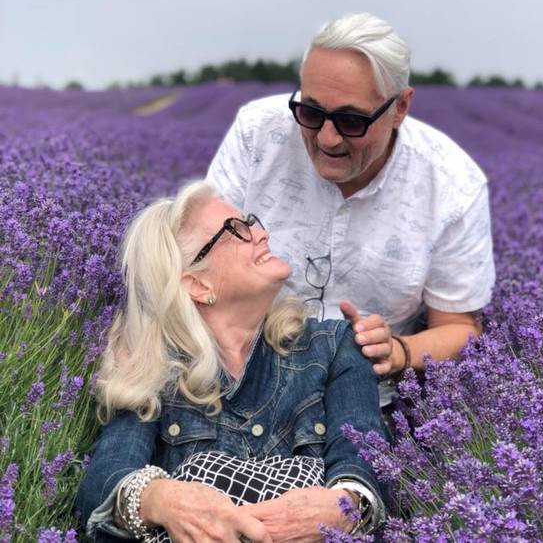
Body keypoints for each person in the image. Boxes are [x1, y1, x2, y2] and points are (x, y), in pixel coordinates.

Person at [76, 180, 392, 542]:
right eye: (237, 229)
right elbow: (104, 481)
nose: (262, 233)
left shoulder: (335, 345)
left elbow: (366, 458)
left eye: (252, 222)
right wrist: (162, 499)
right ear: (198, 284)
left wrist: (345, 506)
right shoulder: (155, 367)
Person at [206, 12, 495, 401]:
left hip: (366, 399)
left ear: (400, 107)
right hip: (240, 381)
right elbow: (200, 266)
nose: (327, 138)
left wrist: (397, 351)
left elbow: (459, 328)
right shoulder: (258, 134)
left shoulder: (451, 184)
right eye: (311, 112)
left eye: (351, 120)